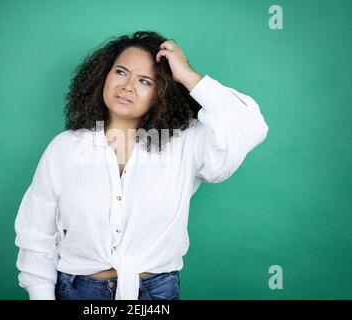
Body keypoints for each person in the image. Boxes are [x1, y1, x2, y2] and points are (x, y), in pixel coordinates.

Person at [14, 31, 269, 300]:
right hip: (79, 290)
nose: (127, 86)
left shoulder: (186, 143)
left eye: (145, 80)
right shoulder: (64, 148)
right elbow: (37, 231)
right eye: (121, 72)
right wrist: (40, 293)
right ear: (103, 76)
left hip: (155, 293)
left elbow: (250, 125)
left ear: (162, 91)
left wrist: (187, 75)